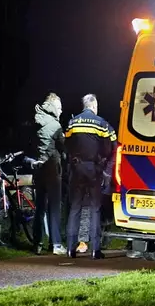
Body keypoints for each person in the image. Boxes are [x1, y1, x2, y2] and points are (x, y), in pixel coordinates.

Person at [64, 93, 116, 259]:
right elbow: (110, 147)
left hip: (76, 168)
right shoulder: (101, 124)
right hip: (93, 169)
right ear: (93, 106)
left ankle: (70, 249)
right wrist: (103, 164)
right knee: (95, 208)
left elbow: (67, 144)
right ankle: (95, 250)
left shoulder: (73, 122)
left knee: (75, 208)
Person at [31, 93, 67, 255]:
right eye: (59, 107)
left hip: (38, 170)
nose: (61, 110)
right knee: (54, 208)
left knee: (39, 208)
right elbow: (64, 148)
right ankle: (56, 244)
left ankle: (37, 243)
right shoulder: (56, 126)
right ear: (53, 107)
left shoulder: (35, 121)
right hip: (53, 170)